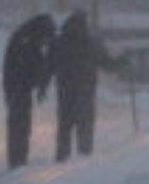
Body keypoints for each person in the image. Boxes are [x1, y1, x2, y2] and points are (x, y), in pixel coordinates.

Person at [50, 10, 123, 162]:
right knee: (85, 131)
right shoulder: (92, 43)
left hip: (65, 94)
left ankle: (61, 160)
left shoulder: (59, 42)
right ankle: (83, 165)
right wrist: (122, 62)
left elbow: (49, 65)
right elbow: (108, 65)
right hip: (85, 93)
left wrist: (41, 81)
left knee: (64, 129)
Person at [1, 14, 57, 170]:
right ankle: (17, 161)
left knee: (20, 125)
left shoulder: (26, 37)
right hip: (18, 88)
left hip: (17, 87)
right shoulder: (27, 42)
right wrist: (40, 79)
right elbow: (32, 66)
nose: (45, 42)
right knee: (19, 126)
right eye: (46, 38)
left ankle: (18, 160)